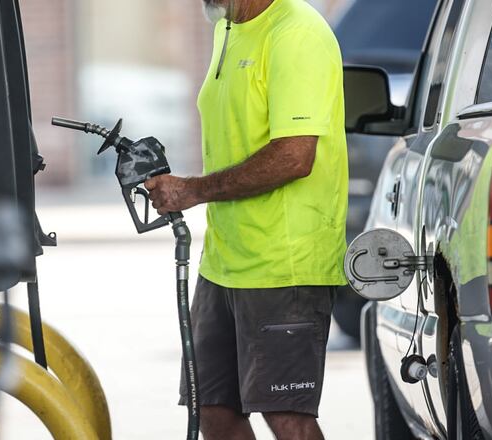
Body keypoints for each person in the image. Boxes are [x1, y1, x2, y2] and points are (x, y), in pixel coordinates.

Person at [145, 0, 347, 438]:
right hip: (225, 262)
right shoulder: (228, 28)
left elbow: (294, 156)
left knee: (286, 415)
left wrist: (193, 190)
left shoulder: (296, 33)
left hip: (284, 266)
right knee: (212, 407)